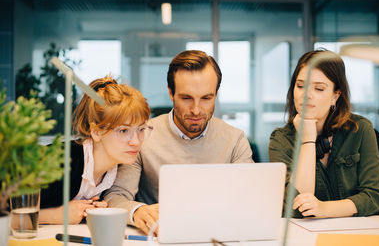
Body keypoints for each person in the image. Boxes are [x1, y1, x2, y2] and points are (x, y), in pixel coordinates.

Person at [104, 50, 253, 234]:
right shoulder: (141, 136)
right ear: (171, 93)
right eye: (186, 98)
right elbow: (116, 195)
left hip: (218, 235)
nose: (197, 110)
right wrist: (138, 211)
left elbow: (249, 198)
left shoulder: (235, 140)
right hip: (158, 236)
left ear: (216, 94)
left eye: (206, 98)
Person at [268, 49, 379, 218]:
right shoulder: (280, 140)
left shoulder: (360, 130)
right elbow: (296, 209)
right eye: (300, 86)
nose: (306, 95)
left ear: (335, 96)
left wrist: (324, 209)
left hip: (354, 233)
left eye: (319, 89)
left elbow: (373, 197)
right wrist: (307, 140)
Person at [39, 76, 151, 224]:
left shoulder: (116, 167)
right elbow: (6, 215)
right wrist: (55, 215)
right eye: (124, 131)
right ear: (96, 132)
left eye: (141, 129)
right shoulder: (57, 161)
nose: (136, 141)